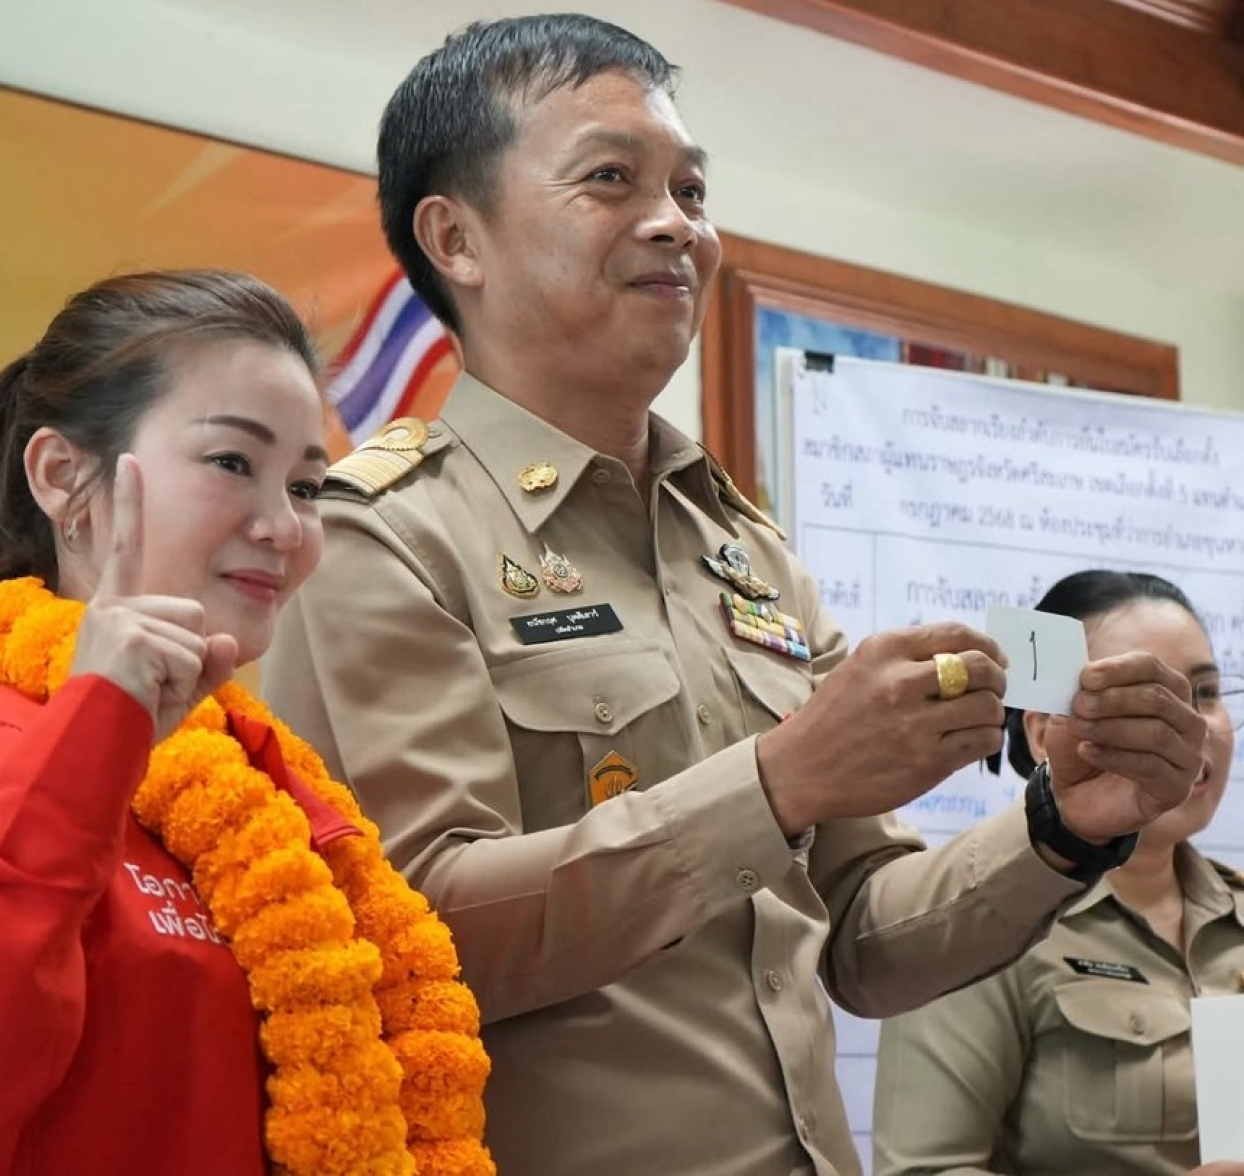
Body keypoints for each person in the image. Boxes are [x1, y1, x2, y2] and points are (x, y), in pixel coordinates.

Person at [260, 15, 1209, 1176]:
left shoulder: (748, 555)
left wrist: (1061, 827)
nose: (678, 224)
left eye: (693, 189)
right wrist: (777, 782)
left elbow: (864, 939)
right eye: (611, 179)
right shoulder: (380, 537)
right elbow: (411, 937)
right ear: (457, 238)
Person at [0, 270, 493, 1176]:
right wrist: (91, 741)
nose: (282, 526)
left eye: (307, 487)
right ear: (62, 476)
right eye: (233, 463)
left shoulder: (278, 789)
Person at [873, 570, 1244, 1176]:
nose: (1192, 727)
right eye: (1149, 697)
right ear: (1046, 735)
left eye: (1204, 693)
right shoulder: (978, 920)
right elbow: (923, 1169)